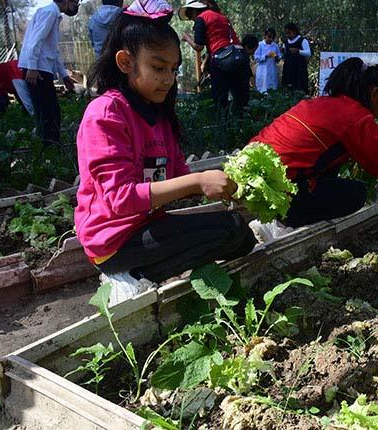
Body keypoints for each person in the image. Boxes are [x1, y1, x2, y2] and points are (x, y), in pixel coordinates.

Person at [75, 0, 256, 305]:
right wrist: (198, 182)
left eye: (174, 69)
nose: (169, 78)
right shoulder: (106, 114)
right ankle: (122, 274)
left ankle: (141, 270)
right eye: (158, 67)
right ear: (125, 62)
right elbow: (121, 200)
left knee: (243, 238)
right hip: (113, 239)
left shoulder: (158, 114)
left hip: (145, 227)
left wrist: (227, 185)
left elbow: (177, 176)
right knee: (231, 229)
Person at [249, 57, 378, 241]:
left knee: (332, 161)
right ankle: (280, 224)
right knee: (355, 194)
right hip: (277, 189)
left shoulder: (317, 103)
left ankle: (277, 215)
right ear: (375, 93)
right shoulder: (357, 118)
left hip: (254, 176)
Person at [18, 0, 79, 146]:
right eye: (75, 2)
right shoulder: (50, 12)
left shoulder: (51, 13)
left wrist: (64, 75)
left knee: (48, 110)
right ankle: (49, 148)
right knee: (48, 112)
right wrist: (32, 67)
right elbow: (36, 41)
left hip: (39, 67)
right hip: (37, 70)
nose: (76, 6)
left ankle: (48, 146)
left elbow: (52, 50)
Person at [179, 0, 251, 114]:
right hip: (241, 56)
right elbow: (221, 42)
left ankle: (223, 127)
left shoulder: (201, 18)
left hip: (222, 61)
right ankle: (245, 126)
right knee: (241, 100)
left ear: (193, 11)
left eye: (189, 16)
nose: (191, 19)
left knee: (220, 100)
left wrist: (187, 37)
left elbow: (198, 46)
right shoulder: (221, 16)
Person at [281, 23, 310, 94]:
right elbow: (284, 55)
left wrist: (298, 51)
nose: (287, 35)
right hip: (288, 69)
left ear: (294, 31)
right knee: (288, 88)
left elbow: (308, 53)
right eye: (286, 33)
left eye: (289, 33)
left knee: (299, 88)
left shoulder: (302, 40)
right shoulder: (285, 42)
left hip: (299, 69)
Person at [254, 28, 281, 93]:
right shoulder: (260, 45)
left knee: (272, 87)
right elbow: (256, 57)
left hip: (272, 68)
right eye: (269, 36)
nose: (270, 39)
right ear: (265, 36)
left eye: (272, 37)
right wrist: (266, 56)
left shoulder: (275, 46)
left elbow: (279, 56)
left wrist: (277, 57)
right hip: (263, 69)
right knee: (263, 88)